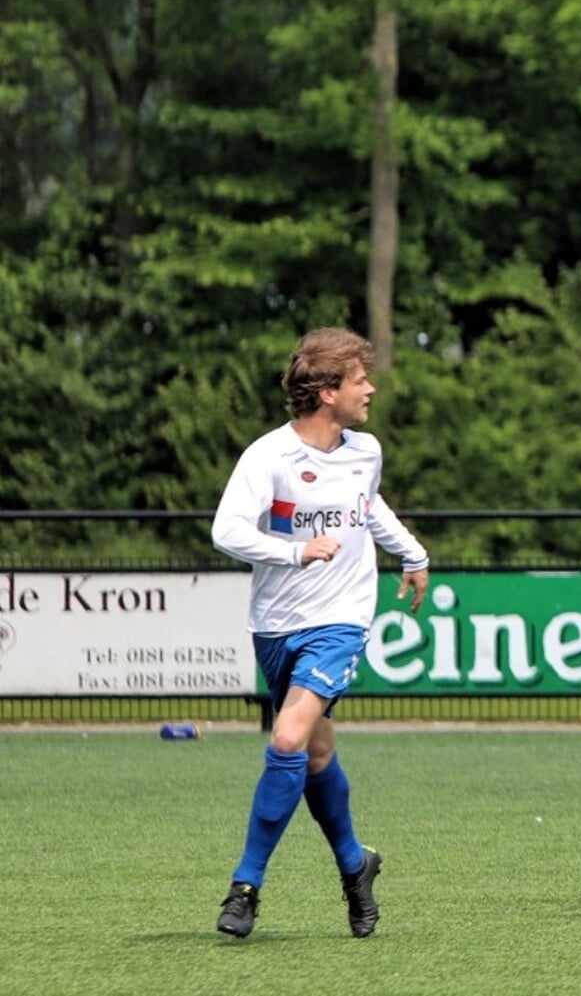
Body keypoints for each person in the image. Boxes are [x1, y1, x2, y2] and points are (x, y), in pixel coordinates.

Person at [209, 327, 430, 939]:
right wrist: (297, 549)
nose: (372, 388)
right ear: (328, 391)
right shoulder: (269, 457)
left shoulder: (366, 450)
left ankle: (245, 886)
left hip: (341, 620)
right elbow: (227, 532)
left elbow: (369, 505)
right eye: (360, 379)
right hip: (277, 625)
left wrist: (412, 555)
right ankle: (357, 866)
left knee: (287, 738)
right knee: (316, 755)